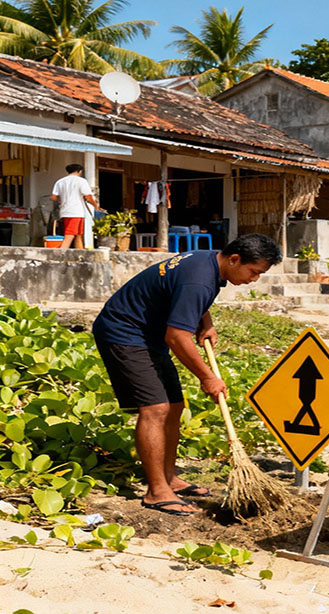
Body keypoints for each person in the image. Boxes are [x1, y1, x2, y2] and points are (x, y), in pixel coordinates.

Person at [92, 233, 281, 516]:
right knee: (155, 409)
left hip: (149, 334)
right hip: (124, 333)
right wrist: (208, 377)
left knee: (175, 407)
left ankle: (169, 478)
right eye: (254, 272)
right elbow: (177, 337)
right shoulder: (200, 279)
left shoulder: (210, 261)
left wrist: (206, 321)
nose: (254, 279)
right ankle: (156, 491)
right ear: (235, 259)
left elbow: (184, 296)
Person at [49, 163, 97, 249]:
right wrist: (95, 206)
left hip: (64, 211)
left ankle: (80, 252)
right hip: (76, 211)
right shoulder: (81, 181)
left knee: (78, 234)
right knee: (70, 234)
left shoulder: (60, 182)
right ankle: (61, 252)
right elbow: (88, 196)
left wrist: (63, 199)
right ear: (79, 171)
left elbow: (54, 197)